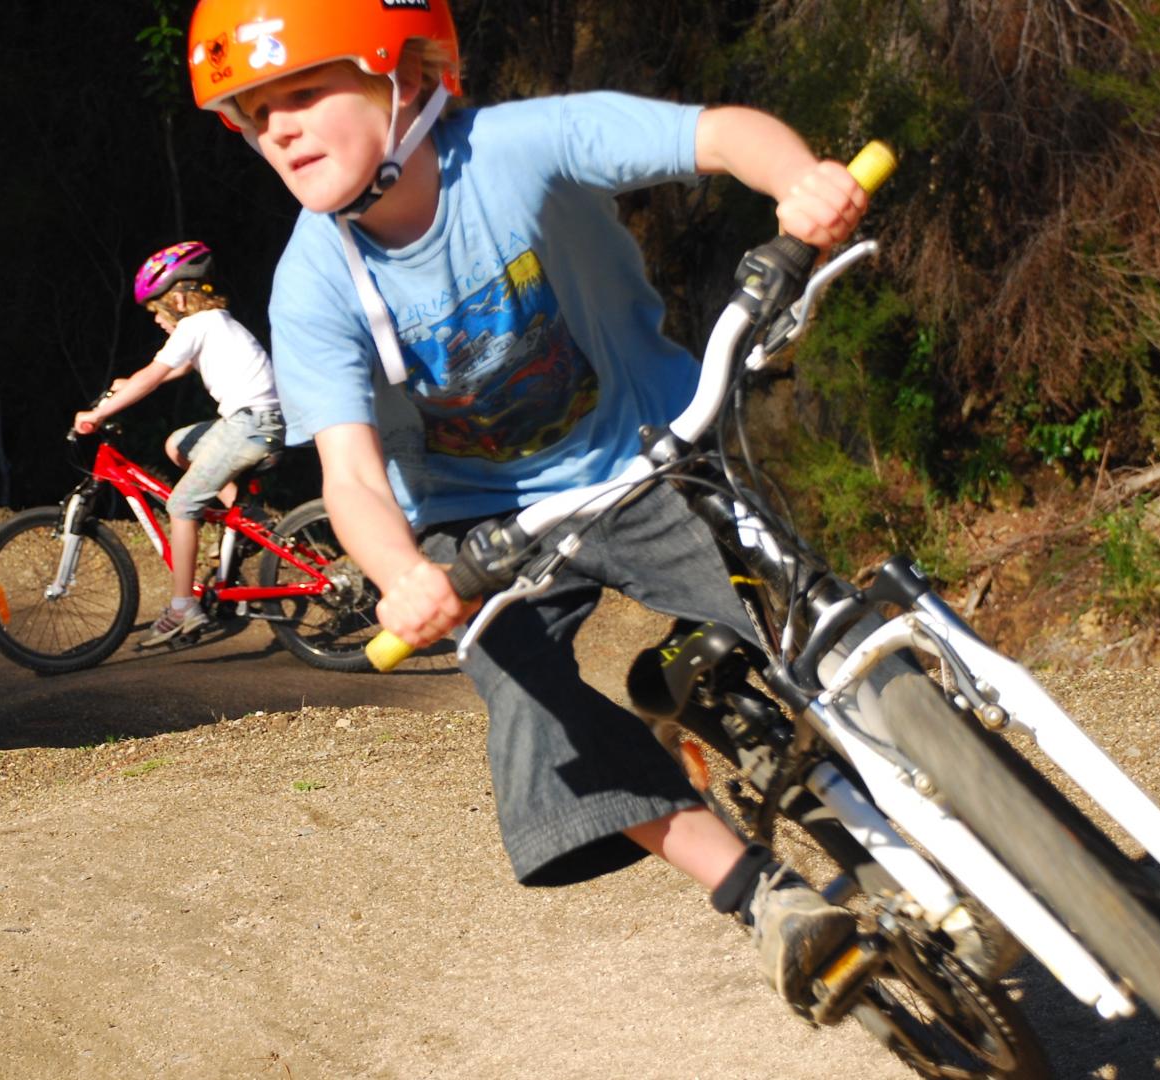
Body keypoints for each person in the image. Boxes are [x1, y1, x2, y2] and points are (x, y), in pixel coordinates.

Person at [183, 1, 873, 1011]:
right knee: (524, 696)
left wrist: (799, 182)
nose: (276, 126)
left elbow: (718, 134)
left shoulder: (517, 148)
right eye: (255, 112)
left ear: (406, 78)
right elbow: (352, 476)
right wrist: (404, 575)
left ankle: (886, 782)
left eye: (302, 91)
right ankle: (759, 894)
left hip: (644, 448)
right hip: (482, 527)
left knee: (798, 624)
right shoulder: (310, 283)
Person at [74, 240, 285, 646]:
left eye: (158, 308)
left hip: (249, 426)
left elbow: (155, 374)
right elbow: (176, 368)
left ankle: (182, 606)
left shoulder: (195, 325)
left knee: (181, 505)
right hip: (256, 422)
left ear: (181, 298)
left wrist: (99, 414)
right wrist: (126, 386)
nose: (156, 318)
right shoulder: (216, 321)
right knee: (178, 445)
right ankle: (247, 516)